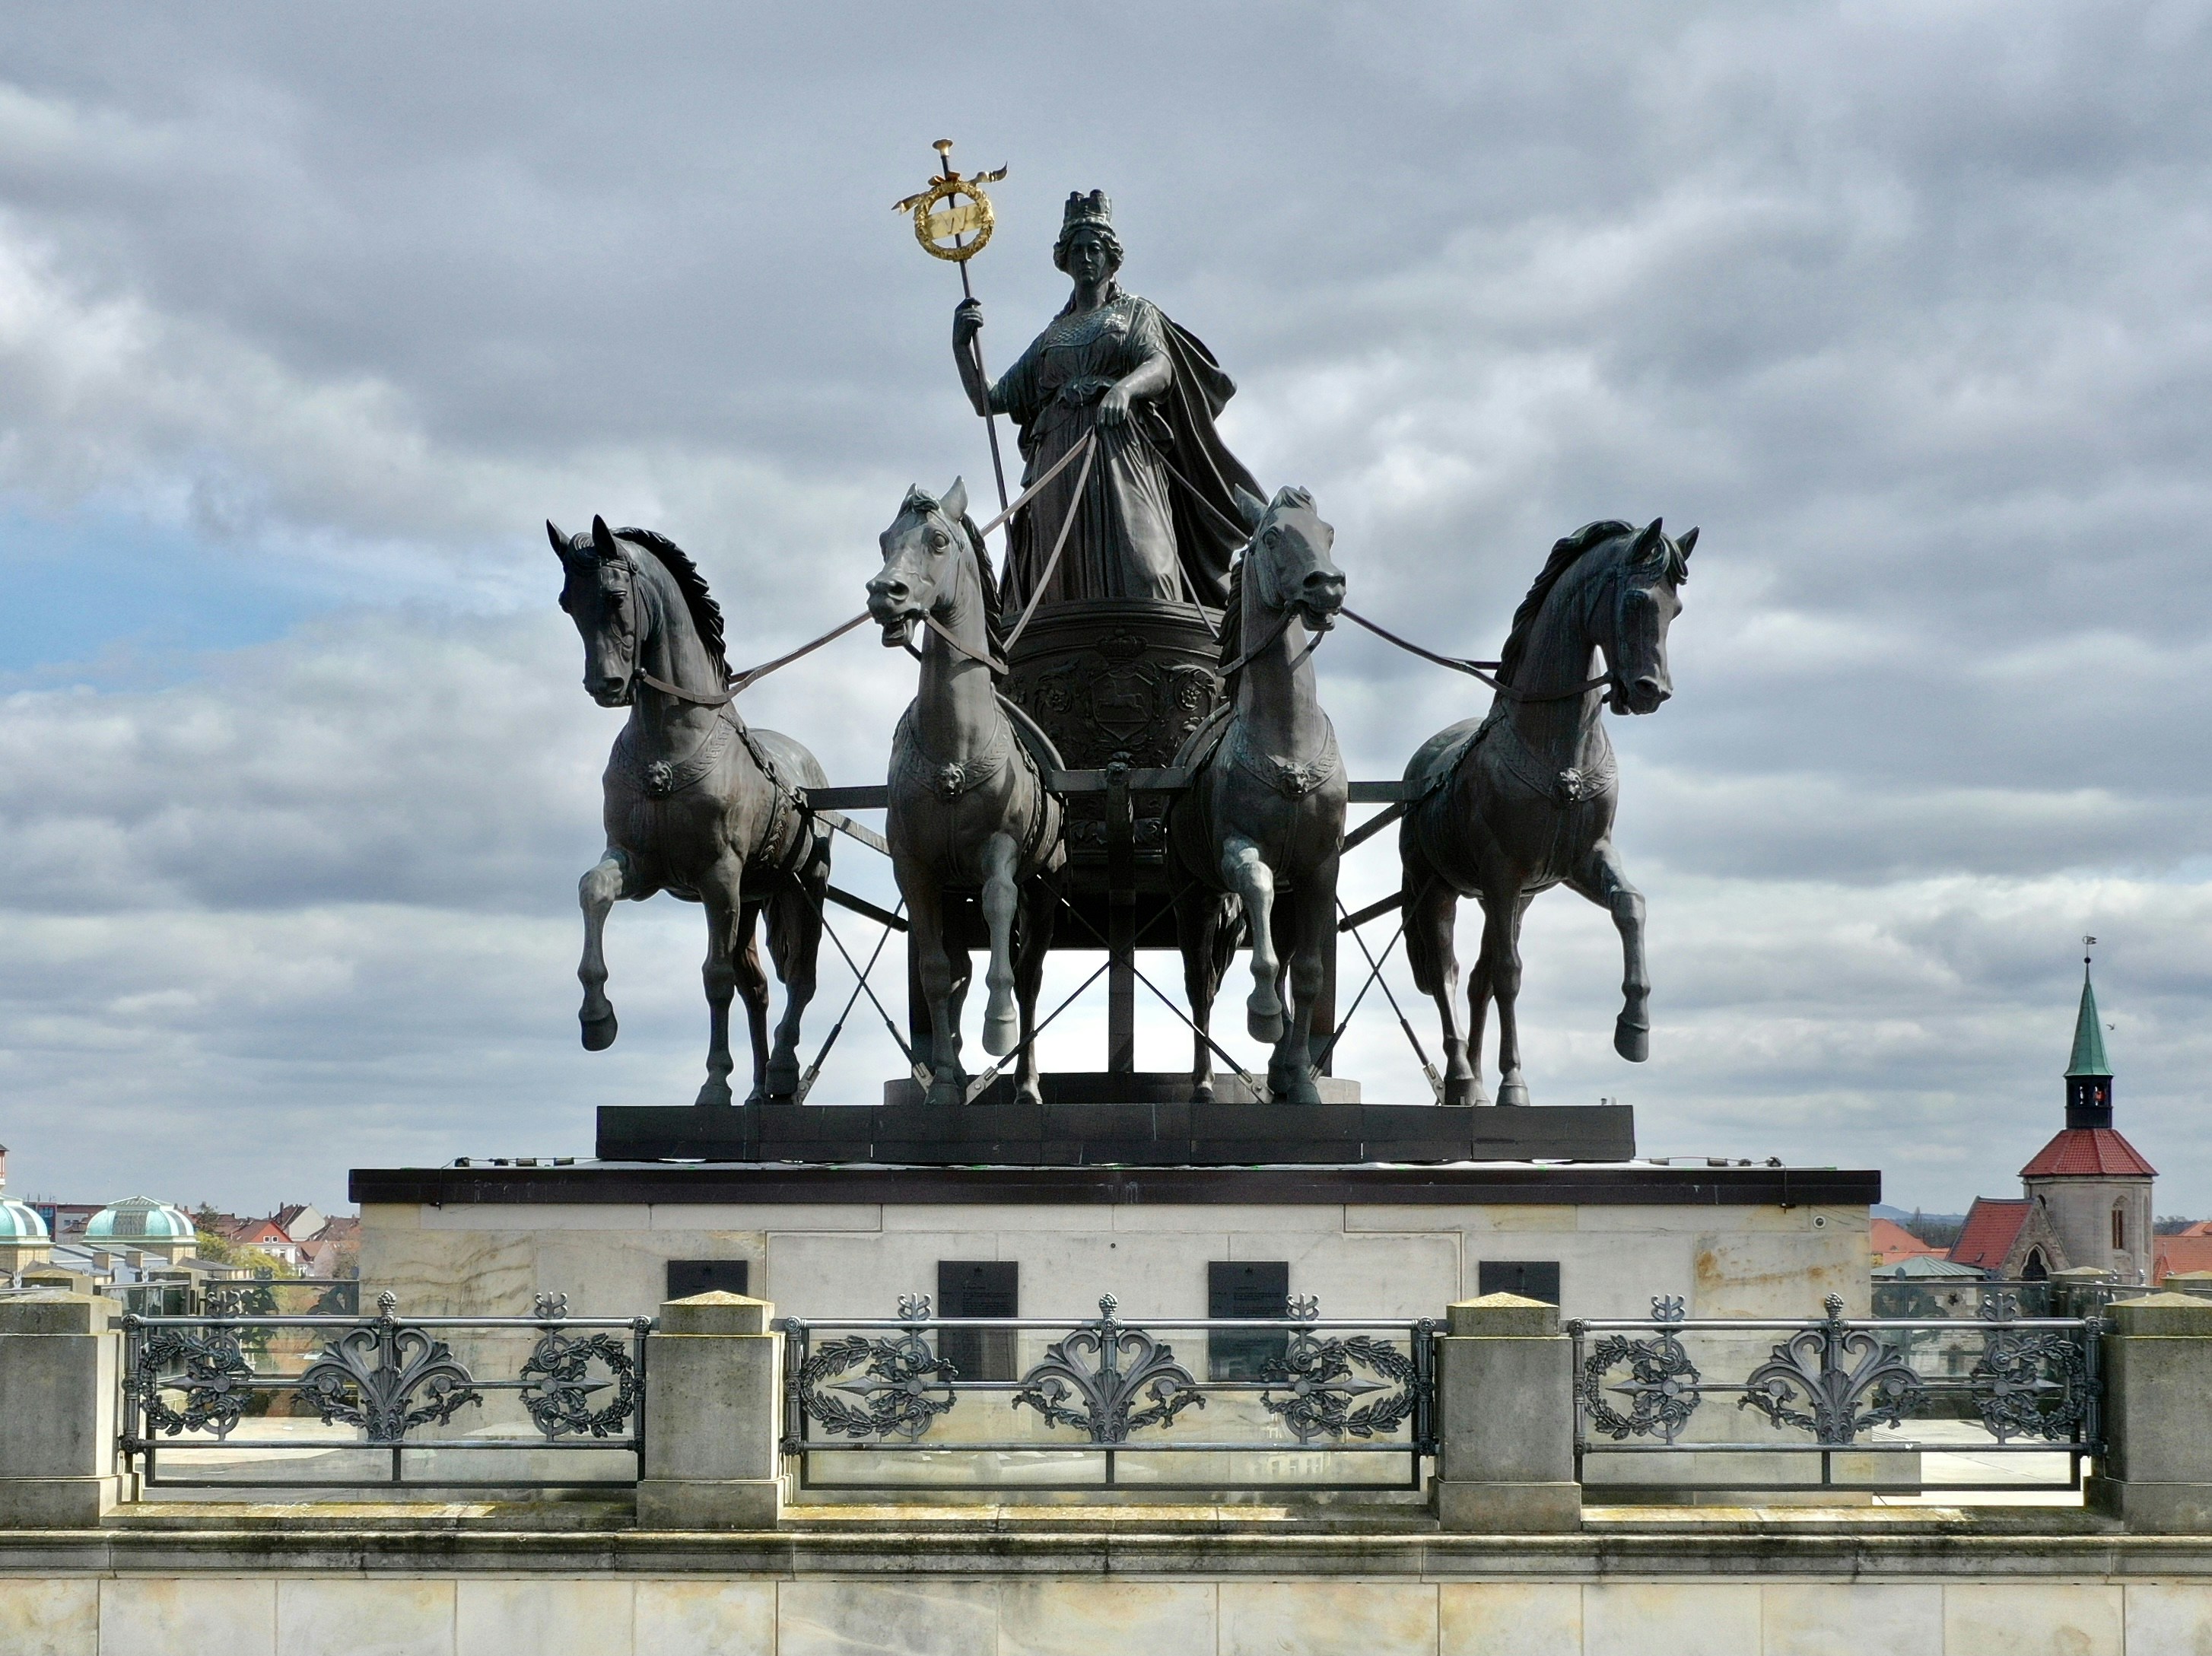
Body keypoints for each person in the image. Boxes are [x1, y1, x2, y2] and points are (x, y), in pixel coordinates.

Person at [954, 190, 1260, 614]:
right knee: (1058, 578)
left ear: (1111, 257)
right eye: (1076, 249)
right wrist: (961, 347)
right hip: (1058, 455)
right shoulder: (1052, 335)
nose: (1085, 257)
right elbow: (989, 401)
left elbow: (1160, 365)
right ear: (1064, 259)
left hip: (1120, 448)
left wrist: (1124, 389)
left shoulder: (1134, 313)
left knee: (1146, 566)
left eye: (1094, 249)